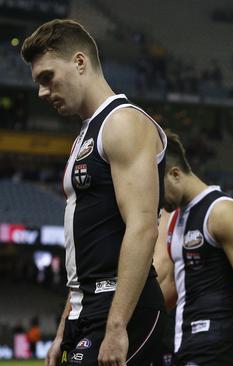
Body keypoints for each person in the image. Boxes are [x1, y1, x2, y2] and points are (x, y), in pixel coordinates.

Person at [21, 19, 166, 365]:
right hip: (89, 310)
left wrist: (117, 326)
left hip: (122, 309)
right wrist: (63, 331)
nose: (42, 92)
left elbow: (143, 227)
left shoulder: (122, 122)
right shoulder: (85, 136)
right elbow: (83, 252)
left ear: (80, 63)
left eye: (47, 78)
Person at [153, 130, 233, 365]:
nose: (155, 199)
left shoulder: (223, 212)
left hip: (219, 344)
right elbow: (171, 286)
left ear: (175, 174)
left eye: (157, 189)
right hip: (186, 344)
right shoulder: (174, 221)